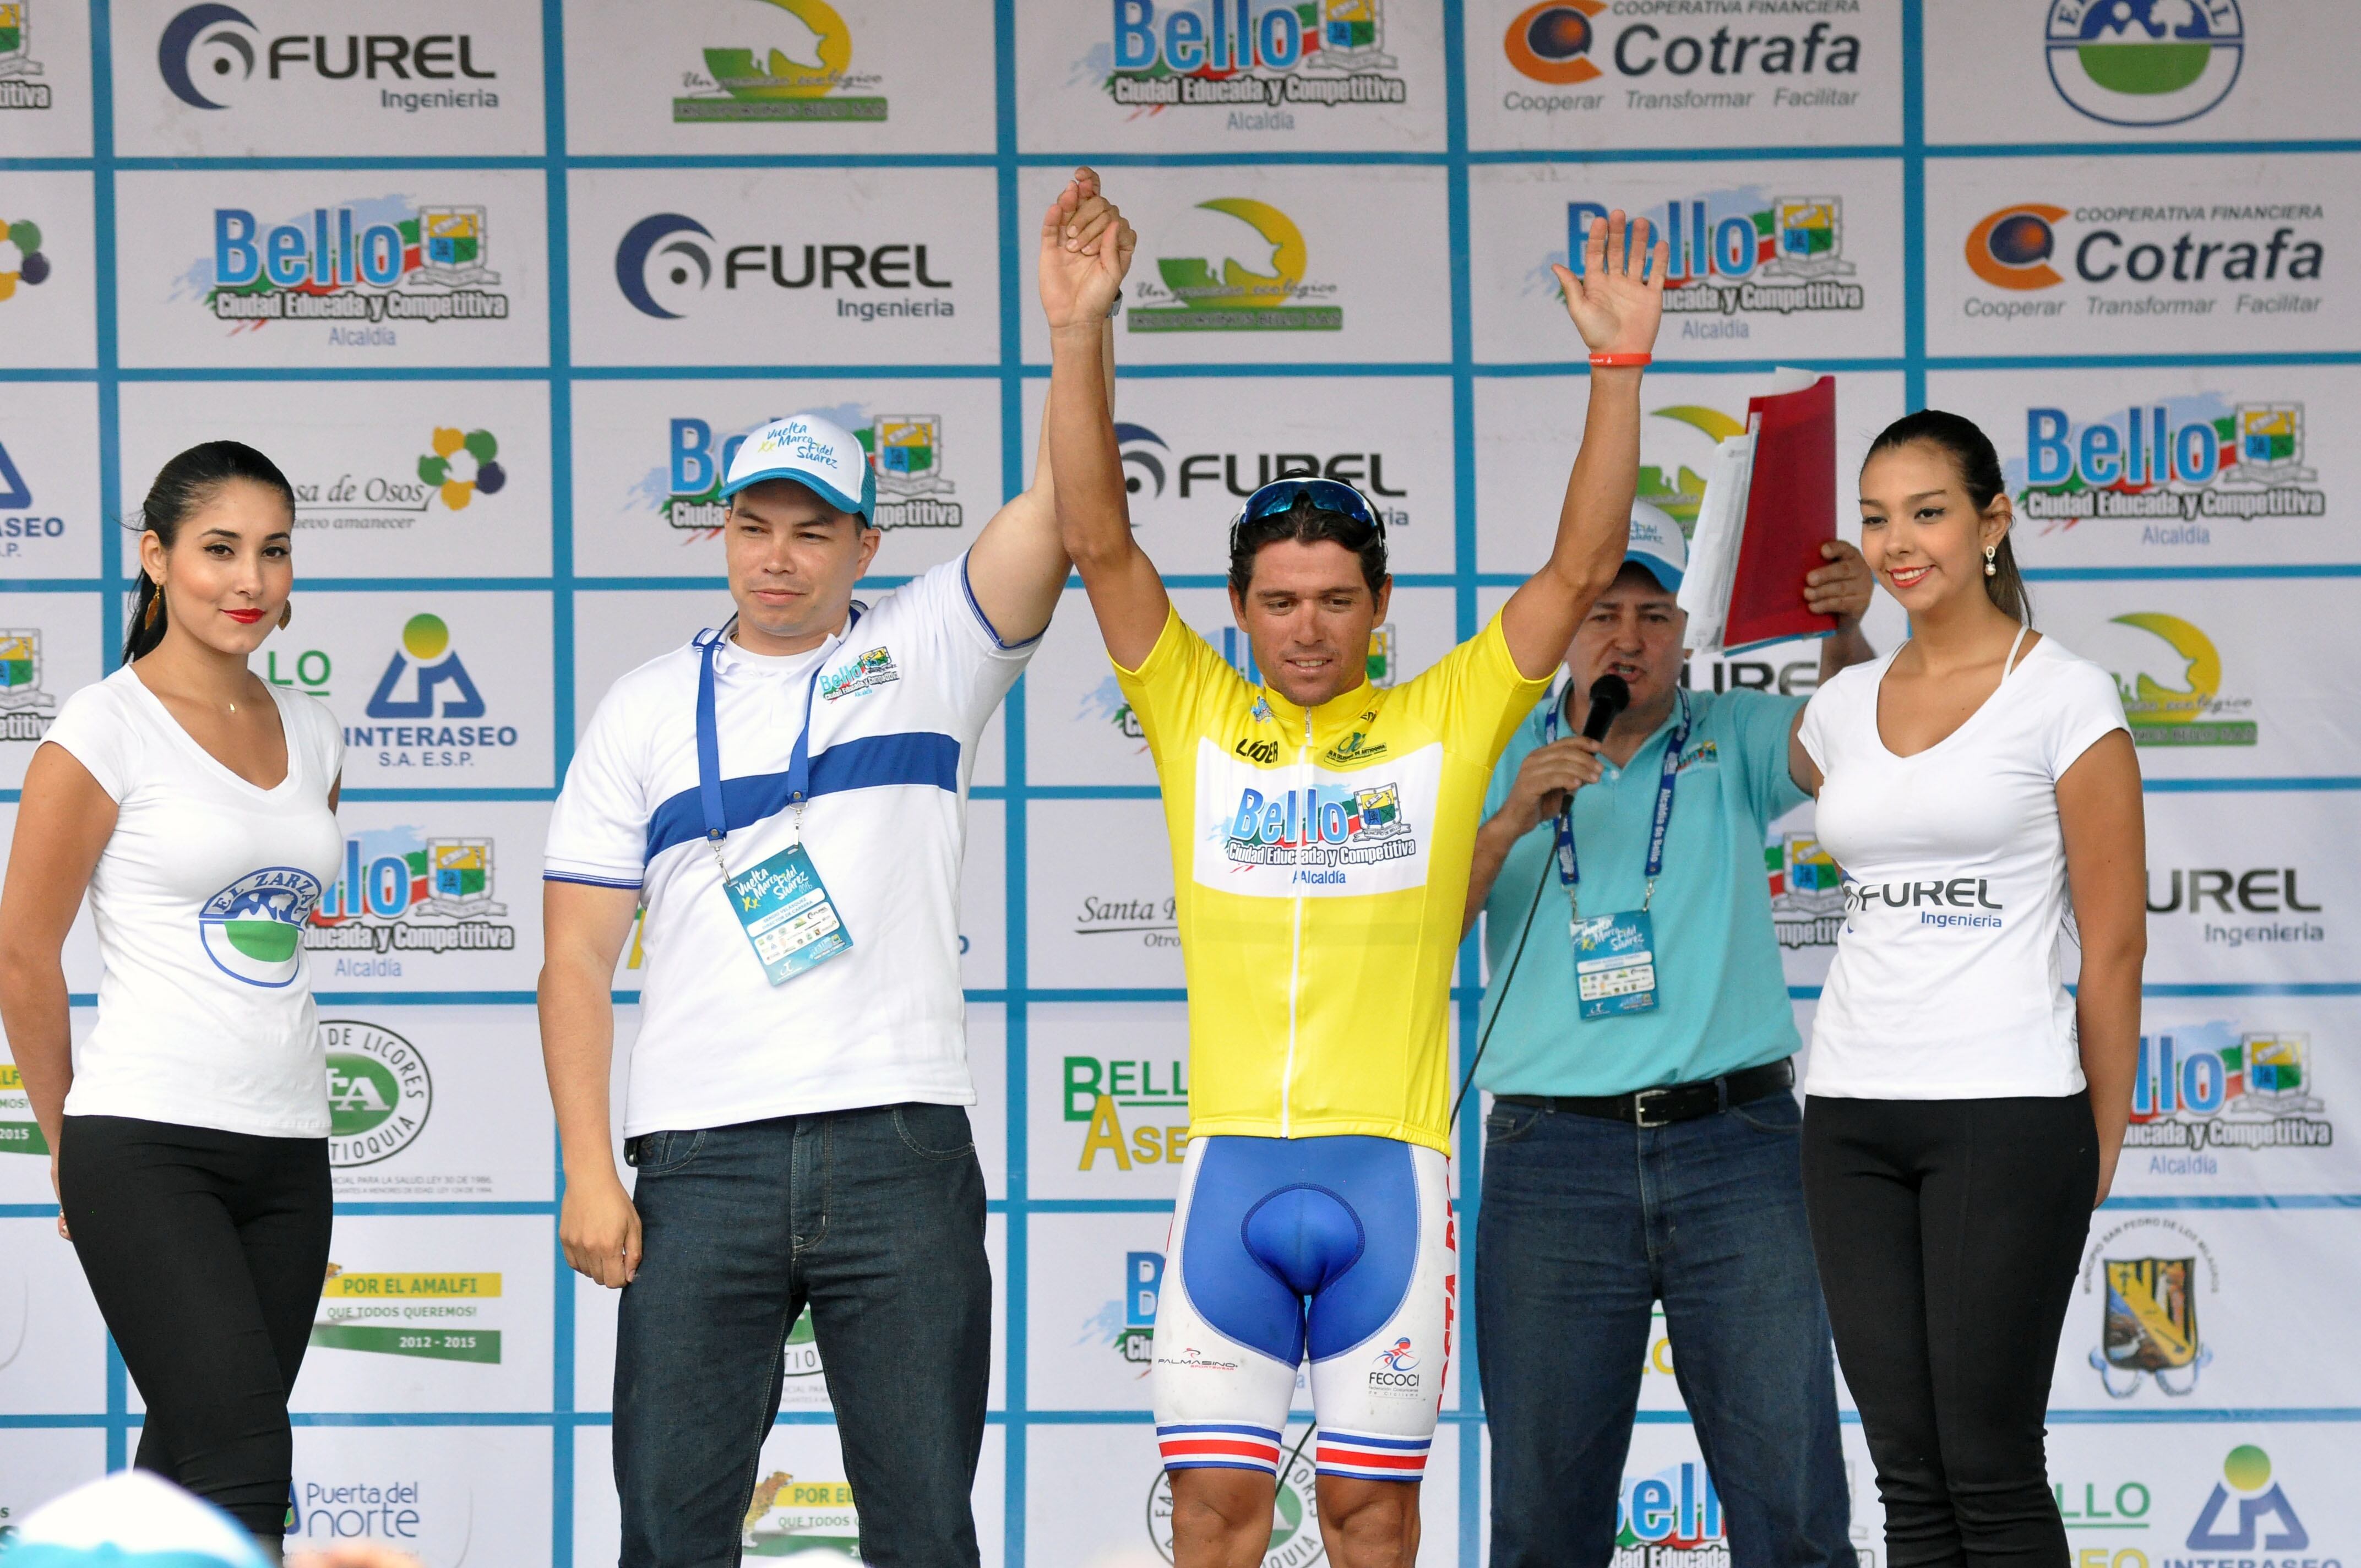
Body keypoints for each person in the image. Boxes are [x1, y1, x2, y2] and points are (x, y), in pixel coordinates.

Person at [1052, 209, 1668, 1568]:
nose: (1307, 628)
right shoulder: (1194, 709)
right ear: (1237, 608)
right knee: (1212, 1518)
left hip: (1387, 1176)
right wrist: (1077, 327)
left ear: (1379, 605)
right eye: (1279, 601)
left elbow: (1578, 570)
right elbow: (1098, 545)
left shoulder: (1444, 715)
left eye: (1335, 599)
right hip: (1228, 1171)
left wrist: (1617, 372)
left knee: (1368, 1519)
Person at [536, 170, 1132, 1568]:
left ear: (866, 543)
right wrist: (585, 1168)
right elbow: (573, 958)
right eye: (754, 524)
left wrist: (1077, 332)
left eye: (814, 530)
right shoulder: (641, 706)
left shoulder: (930, 647)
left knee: (922, 1531)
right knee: (668, 1533)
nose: (779, 557)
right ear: (721, 532)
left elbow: (1067, 507)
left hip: (896, 1146)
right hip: (699, 1157)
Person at [1462, 499, 1876, 1568]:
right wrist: (1506, 820)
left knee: (1793, 1505)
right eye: (1603, 613)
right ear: (1564, 624)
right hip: (1553, 1156)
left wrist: (1844, 632)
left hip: (1737, 1149)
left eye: (1654, 616)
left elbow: (1868, 757)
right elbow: (1418, 931)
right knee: (1541, 1521)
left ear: (1686, 633)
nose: (1628, 639)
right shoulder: (1487, 745)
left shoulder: (1732, 733)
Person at [1792, 410, 2146, 1568]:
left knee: (1989, 1470)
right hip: (1849, 1116)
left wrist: (2097, 1143)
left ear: (1993, 522)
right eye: (1876, 518)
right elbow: (1822, 766)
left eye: (1928, 512)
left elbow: (2114, 948)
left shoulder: (2066, 695)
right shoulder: (1840, 706)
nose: (1899, 542)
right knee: (1907, 1477)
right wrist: (1840, 629)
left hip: (2006, 1114)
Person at [0, 443, 342, 1553]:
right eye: (219, 549)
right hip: (145, 1144)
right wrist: (67, 1144)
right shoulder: (102, 728)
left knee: (187, 1475)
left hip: (290, 1146)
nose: (250, 580)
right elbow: (22, 954)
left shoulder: (315, 730)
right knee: (244, 1462)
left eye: (274, 552)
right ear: (156, 558)